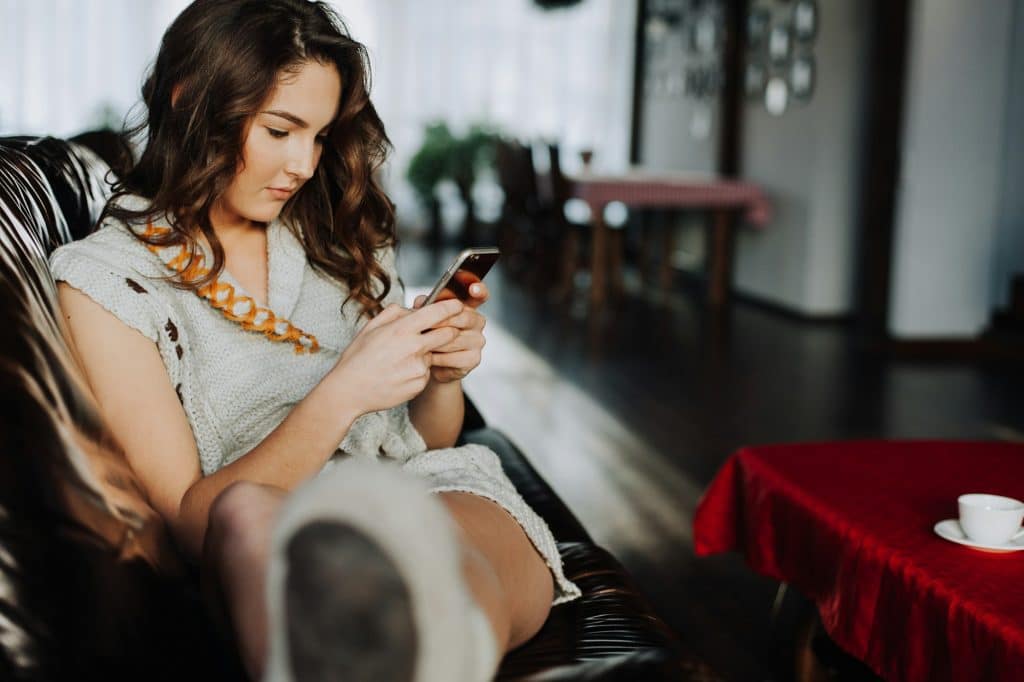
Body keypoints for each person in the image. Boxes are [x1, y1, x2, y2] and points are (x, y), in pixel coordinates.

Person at [48, 1, 580, 680]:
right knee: (246, 516)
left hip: (422, 491)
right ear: (188, 101)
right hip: (272, 529)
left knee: (446, 544)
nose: (303, 164)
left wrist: (442, 376)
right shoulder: (108, 282)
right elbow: (190, 525)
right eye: (280, 130)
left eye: (320, 136)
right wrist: (341, 393)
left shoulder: (336, 236)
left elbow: (432, 442)